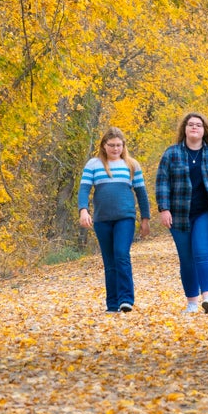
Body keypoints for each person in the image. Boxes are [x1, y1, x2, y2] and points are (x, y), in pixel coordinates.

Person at [155, 112, 208, 313]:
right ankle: (192, 302)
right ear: (184, 129)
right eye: (190, 124)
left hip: (207, 213)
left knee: (202, 253)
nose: (194, 128)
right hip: (179, 214)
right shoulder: (171, 154)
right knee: (186, 258)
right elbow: (162, 183)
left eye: (198, 125)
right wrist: (164, 209)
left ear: (204, 131)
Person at [77, 127, 151, 313]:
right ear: (104, 145)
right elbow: (84, 189)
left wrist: (145, 219)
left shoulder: (132, 165)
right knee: (109, 261)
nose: (115, 149)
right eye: (111, 145)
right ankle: (112, 303)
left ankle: (126, 299)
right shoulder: (93, 165)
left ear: (123, 145)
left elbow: (141, 194)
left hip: (125, 218)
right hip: (102, 219)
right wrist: (83, 211)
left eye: (119, 145)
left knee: (121, 254)